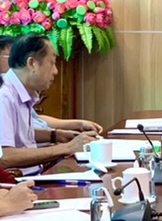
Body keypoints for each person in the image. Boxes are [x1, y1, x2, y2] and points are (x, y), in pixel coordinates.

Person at [0, 34, 94, 175]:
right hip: (17, 183)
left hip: (34, 175)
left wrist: (56, 135)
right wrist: (67, 148)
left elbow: (19, 135)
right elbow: (4, 157)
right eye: (52, 63)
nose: (56, 71)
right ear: (32, 64)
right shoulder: (3, 96)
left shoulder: (19, 91)